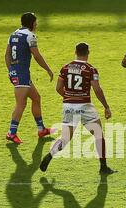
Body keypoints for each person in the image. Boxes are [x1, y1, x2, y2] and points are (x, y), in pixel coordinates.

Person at [39, 42, 115, 175]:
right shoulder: (90, 69)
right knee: (98, 135)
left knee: (65, 138)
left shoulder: (65, 68)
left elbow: (58, 88)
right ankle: (103, 167)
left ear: (75, 51)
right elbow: (97, 89)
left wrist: (69, 97)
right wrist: (106, 107)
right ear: (88, 53)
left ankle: (50, 154)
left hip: (68, 106)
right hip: (85, 106)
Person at [5, 12, 55, 144]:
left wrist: (10, 70)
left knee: (36, 98)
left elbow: (7, 55)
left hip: (18, 73)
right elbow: (37, 56)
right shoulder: (30, 36)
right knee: (21, 104)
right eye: (36, 22)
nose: (37, 24)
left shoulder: (13, 34)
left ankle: (41, 129)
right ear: (32, 23)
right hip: (22, 74)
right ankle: (11, 132)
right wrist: (48, 69)